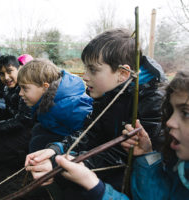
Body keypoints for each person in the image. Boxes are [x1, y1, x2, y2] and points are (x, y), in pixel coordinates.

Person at [25, 29, 167, 193]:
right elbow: (90, 133)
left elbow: (121, 156)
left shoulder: (151, 101)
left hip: (135, 176)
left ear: (122, 73)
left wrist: (67, 163)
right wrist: (57, 149)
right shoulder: (107, 94)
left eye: (93, 70)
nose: (85, 76)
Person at [52, 69, 189, 199]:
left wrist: (95, 186)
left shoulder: (144, 102)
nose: (170, 122)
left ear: (123, 73)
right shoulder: (178, 165)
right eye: (172, 111)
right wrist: (145, 155)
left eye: (186, 113)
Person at [18, 59, 93, 152]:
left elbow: (89, 134)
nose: (20, 93)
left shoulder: (67, 107)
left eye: (25, 88)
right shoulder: (47, 101)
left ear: (45, 87)